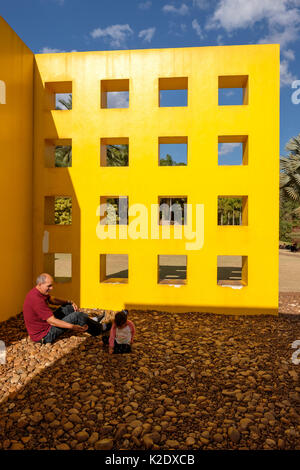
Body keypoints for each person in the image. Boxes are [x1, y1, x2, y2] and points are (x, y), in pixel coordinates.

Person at [23, 273, 109, 344]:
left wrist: (69, 302)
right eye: (49, 286)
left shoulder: (38, 291)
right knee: (77, 316)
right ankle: (99, 328)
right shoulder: (37, 300)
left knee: (69, 307)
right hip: (44, 335)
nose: (51, 288)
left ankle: (89, 322)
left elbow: (52, 299)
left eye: (52, 285)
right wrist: (72, 326)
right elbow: (52, 321)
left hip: (46, 324)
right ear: (40, 284)